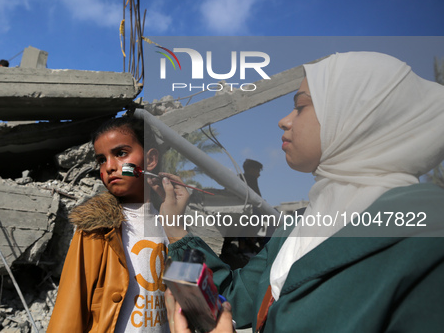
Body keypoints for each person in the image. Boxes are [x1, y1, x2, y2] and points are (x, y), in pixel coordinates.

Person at [160, 51, 444, 332]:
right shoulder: (296, 228)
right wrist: (176, 230)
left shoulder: (426, 241)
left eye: (301, 106)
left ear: (357, 116)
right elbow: (234, 299)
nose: (284, 120)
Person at [47, 116, 188, 333]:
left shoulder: (172, 224)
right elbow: (70, 308)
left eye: (121, 153)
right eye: (101, 160)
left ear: (150, 160)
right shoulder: (96, 229)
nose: (110, 167)